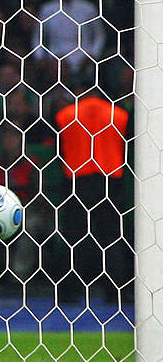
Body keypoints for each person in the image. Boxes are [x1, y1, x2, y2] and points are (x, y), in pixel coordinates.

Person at [54, 85, 129, 293]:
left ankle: (69, 291)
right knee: (112, 238)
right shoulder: (119, 114)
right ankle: (116, 290)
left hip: (78, 181)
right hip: (110, 180)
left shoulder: (66, 114)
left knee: (74, 238)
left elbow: (59, 152)